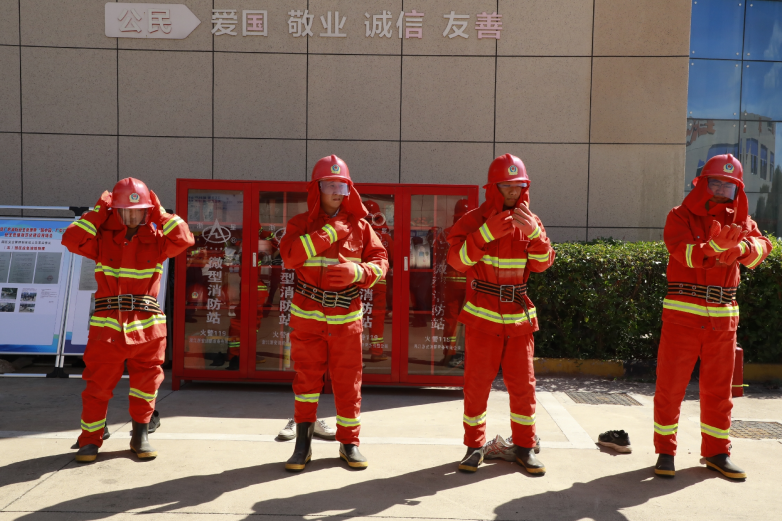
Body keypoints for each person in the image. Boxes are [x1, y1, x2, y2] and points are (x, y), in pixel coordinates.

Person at [653, 154, 772, 480]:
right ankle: (665, 451)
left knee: (719, 391)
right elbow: (681, 251)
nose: (721, 190)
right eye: (716, 183)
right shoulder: (679, 216)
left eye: (728, 186)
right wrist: (712, 248)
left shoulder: (742, 221)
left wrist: (743, 249)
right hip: (682, 318)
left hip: (723, 319)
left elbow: (763, 246)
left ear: (738, 190)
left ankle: (717, 452)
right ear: (702, 183)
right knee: (670, 387)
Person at [62, 178, 194, 462]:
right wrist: (98, 213)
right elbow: (71, 239)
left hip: (148, 329)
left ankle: (140, 436)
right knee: (97, 386)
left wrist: (160, 212)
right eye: (126, 211)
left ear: (147, 211)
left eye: (139, 211)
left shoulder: (157, 239)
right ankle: (90, 440)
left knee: (146, 386)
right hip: (107, 329)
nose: (133, 217)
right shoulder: (101, 238)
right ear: (116, 211)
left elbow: (185, 239)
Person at [279, 155, 388, 471]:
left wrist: (358, 271)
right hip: (308, 317)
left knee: (348, 382)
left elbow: (381, 263)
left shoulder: (361, 227)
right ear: (317, 188)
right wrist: (327, 234)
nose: (338, 192)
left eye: (343, 186)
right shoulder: (300, 224)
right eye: (330, 185)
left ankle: (349, 443)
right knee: (306, 382)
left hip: (346, 318)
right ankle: (302, 445)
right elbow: (289, 257)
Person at [447, 154, 554, 475]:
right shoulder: (473, 221)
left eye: (518, 185)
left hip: (518, 317)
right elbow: (456, 261)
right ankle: (474, 447)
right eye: (507, 185)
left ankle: (524, 447)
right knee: (476, 386)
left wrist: (535, 235)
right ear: (493, 187)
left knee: (524, 386)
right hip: (482, 317)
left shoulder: (530, 220)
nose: (513, 191)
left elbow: (543, 264)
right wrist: (483, 235)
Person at [363, 200, 394, 363]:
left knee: (356, 316)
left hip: (358, 282)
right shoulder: (385, 237)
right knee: (377, 316)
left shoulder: (356, 233)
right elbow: (394, 259)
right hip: (379, 282)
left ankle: (355, 349)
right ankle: (376, 351)